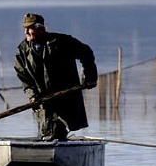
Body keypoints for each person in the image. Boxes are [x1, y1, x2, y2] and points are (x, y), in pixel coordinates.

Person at [14, 13, 98, 141]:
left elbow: (86, 53)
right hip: (43, 101)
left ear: (40, 28)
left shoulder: (62, 42)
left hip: (65, 98)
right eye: (25, 28)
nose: (26, 32)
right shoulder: (23, 50)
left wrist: (90, 77)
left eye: (29, 28)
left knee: (58, 132)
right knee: (45, 132)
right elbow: (24, 78)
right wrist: (32, 96)